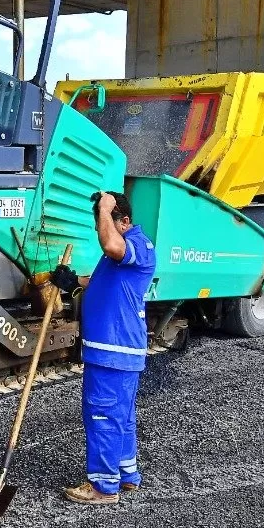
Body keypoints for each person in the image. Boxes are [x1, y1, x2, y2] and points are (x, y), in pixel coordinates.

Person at [55, 190, 158, 506]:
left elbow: (111, 244)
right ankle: (126, 475)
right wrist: (73, 283)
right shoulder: (120, 254)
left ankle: (103, 486)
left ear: (124, 221)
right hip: (116, 351)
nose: (101, 227)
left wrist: (105, 206)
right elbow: (100, 283)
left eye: (108, 221)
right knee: (121, 417)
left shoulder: (136, 245)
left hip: (114, 350)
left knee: (102, 415)